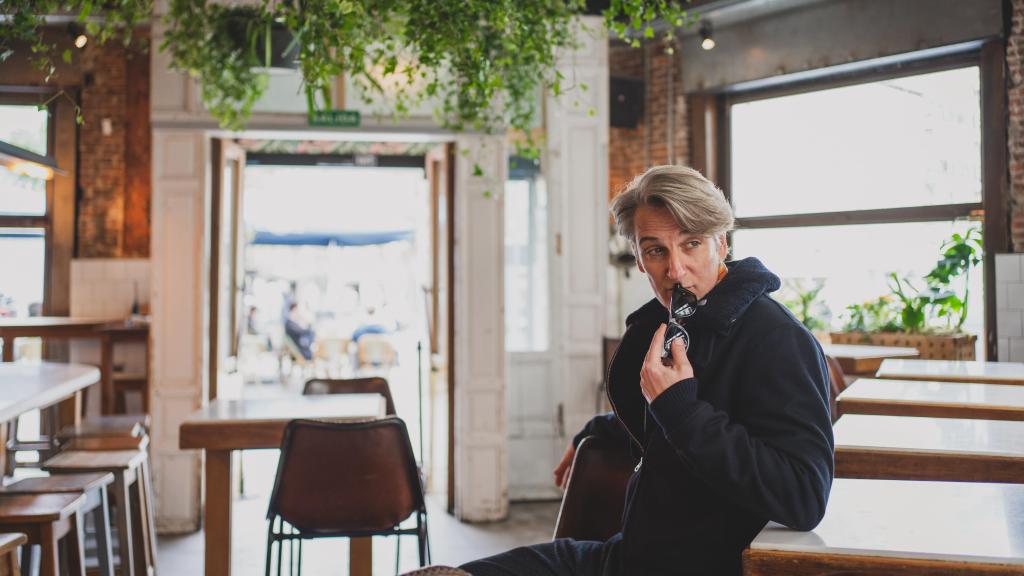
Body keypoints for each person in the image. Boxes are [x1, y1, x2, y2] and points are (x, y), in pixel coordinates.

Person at [461, 166, 834, 576]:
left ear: (721, 243)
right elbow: (699, 416)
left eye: (691, 244)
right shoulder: (671, 320)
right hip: (629, 557)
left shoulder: (778, 339)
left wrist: (681, 411)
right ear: (638, 258)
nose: (675, 270)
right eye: (656, 249)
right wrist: (608, 425)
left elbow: (804, 496)